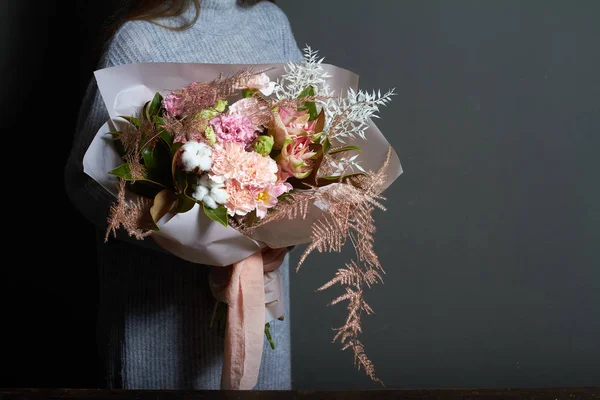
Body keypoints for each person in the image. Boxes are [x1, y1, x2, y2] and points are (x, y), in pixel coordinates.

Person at [64, 0, 303, 390]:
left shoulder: (270, 24)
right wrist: (197, 240)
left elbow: (305, 151)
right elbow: (86, 182)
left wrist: (278, 232)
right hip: (158, 321)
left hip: (259, 299)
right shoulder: (138, 39)